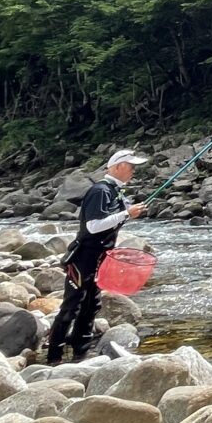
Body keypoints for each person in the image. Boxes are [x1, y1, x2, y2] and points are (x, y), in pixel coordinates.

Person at [46, 147, 148, 364]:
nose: (134, 171)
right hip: (83, 258)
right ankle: (54, 356)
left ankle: (80, 354)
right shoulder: (101, 191)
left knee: (92, 304)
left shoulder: (114, 191)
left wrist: (127, 214)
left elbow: (111, 220)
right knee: (72, 306)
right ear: (118, 167)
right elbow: (93, 226)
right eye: (131, 167)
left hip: (100, 259)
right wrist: (126, 213)